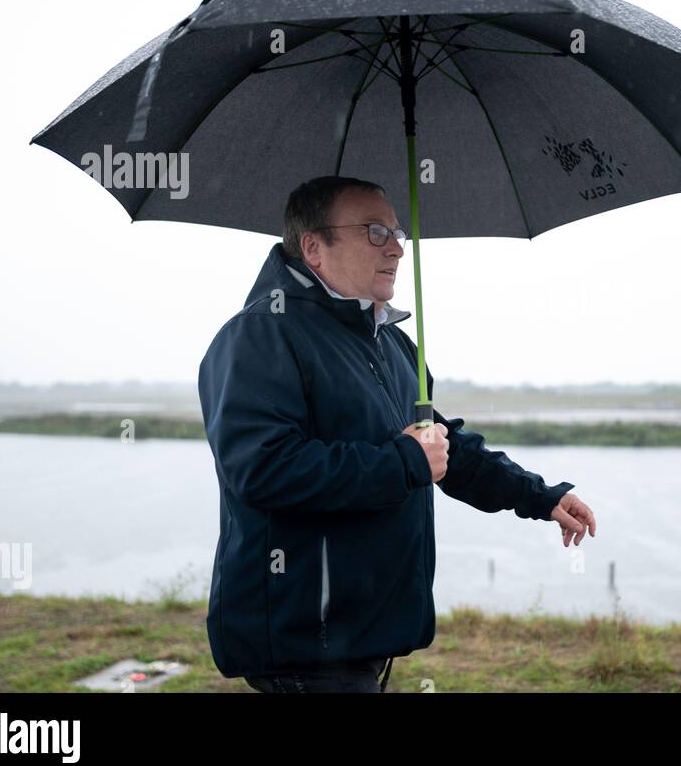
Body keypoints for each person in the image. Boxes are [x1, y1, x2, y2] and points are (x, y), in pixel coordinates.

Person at [198, 176, 597, 693]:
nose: (396, 248)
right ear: (313, 247)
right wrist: (404, 462)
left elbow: (441, 447)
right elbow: (264, 470)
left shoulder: (394, 344)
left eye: (397, 232)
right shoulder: (258, 336)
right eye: (374, 231)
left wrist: (540, 496)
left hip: (364, 637)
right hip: (304, 646)